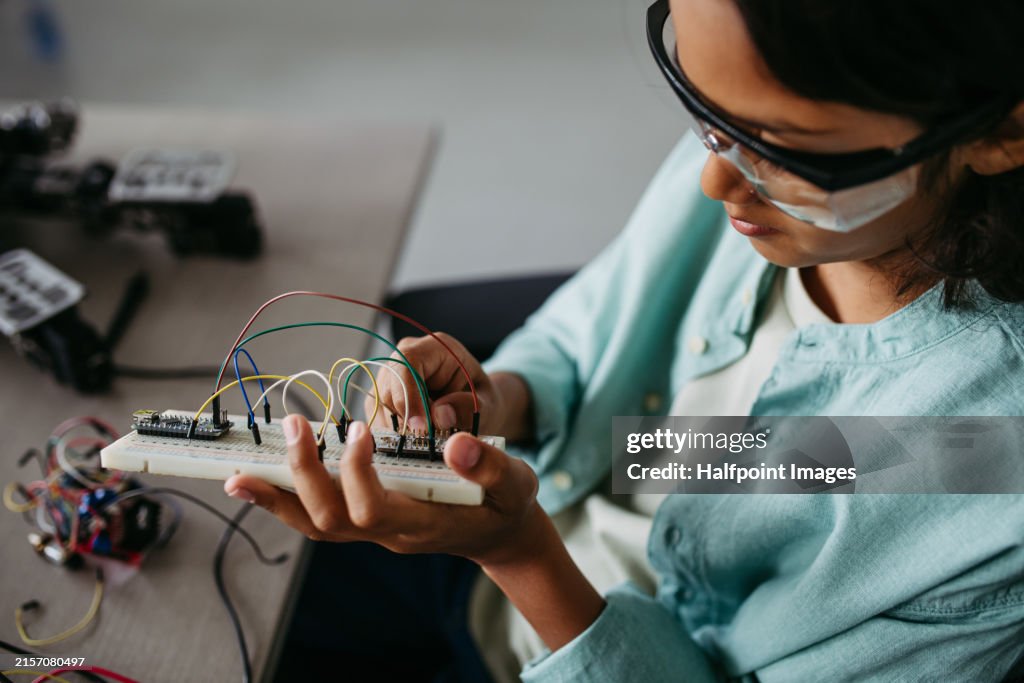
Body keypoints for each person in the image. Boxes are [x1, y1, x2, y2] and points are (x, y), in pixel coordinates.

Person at [225, 0, 1024, 679]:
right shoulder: (755, 162)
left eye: (782, 146)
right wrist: (495, 399)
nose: (713, 179)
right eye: (705, 109)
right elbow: (590, 340)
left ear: (998, 130)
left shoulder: (981, 455)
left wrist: (518, 552)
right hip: (502, 543)